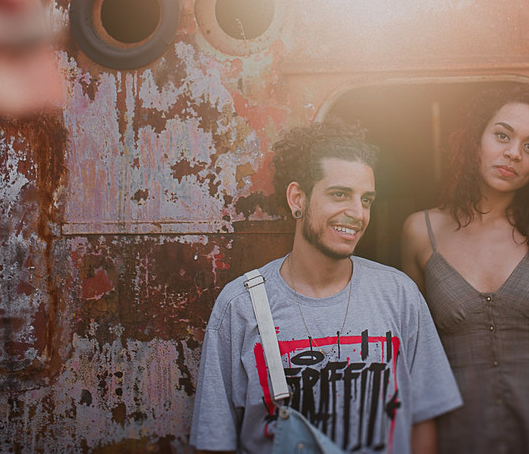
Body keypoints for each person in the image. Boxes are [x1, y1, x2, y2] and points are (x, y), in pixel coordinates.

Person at [191, 119, 462, 454]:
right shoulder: (241, 305)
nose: (357, 213)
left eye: (366, 200)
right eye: (340, 194)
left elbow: (423, 419)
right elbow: (215, 440)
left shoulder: (399, 294)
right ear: (297, 199)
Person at [401, 82, 529, 454]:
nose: (513, 153)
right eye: (502, 135)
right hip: (457, 428)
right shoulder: (421, 231)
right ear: (475, 139)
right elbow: (411, 349)